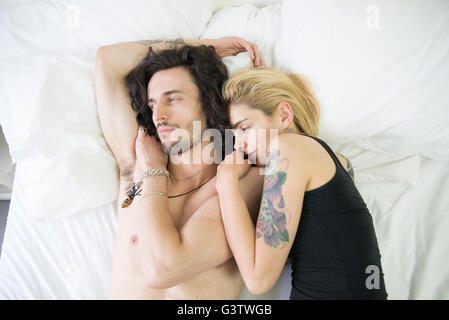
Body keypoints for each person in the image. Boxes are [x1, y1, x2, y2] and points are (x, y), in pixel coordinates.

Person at [94, 37, 266, 299]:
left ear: (209, 101)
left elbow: (163, 269)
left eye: (172, 99)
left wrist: (154, 174)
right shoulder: (136, 158)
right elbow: (108, 60)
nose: (158, 115)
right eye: (152, 104)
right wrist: (204, 46)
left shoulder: (240, 183)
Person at [216, 66, 388, 299]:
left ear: (285, 115)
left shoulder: (289, 147)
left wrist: (226, 181)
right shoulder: (341, 163)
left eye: (245, 128)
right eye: (234, 136)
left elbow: (258, 280)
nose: (238, 146)